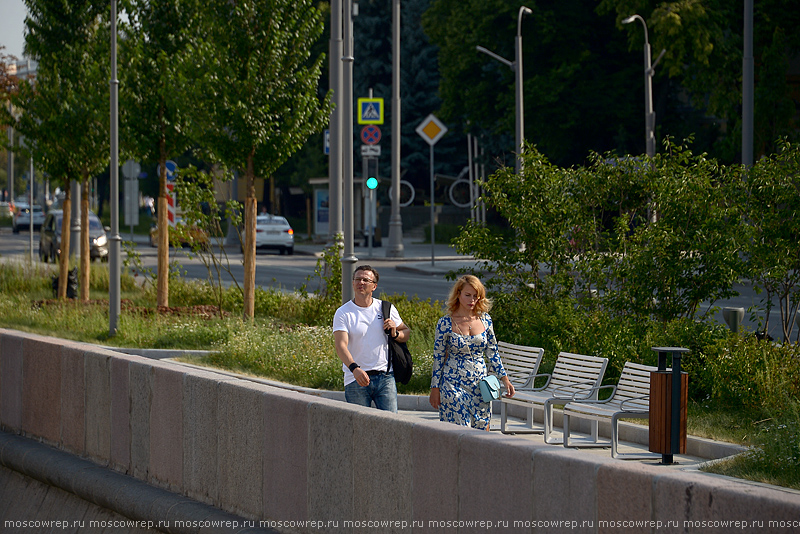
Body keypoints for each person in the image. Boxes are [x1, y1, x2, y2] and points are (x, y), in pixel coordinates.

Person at [429, 275, 515, 429]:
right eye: (468, 295)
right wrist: (435, 388)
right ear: (458, 294)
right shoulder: (445, 323)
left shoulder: (485, 320)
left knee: (481, 431)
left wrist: (505, 379)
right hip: (452, 383)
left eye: (476, 296)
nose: (472, 300)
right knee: (460, 430)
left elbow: (493, 352)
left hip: (480, 385)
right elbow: (439, 357)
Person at [333, 265, 410, 412]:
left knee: (391, 425)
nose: (360, 283)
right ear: (353, 283)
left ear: (374, 286)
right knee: (360, 428)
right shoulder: (343, 312)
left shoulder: (385, 308)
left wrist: (395, 333)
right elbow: (341, 346)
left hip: (385, 377)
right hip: (356, 379)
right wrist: (354, 368)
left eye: (365, 280)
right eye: (357, 279)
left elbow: (406, 332)